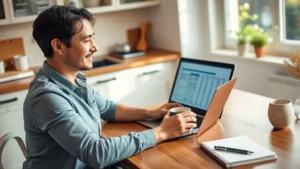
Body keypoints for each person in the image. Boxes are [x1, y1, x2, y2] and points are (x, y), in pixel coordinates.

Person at [23, 5, 197, 169]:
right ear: (58, 46)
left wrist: (150, 113)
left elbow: (107, 108)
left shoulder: (75, 80)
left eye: (93, 38)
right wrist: (162, 132)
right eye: (86, 40)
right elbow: (95, 152)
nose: (95, 47)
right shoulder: (47, 97)